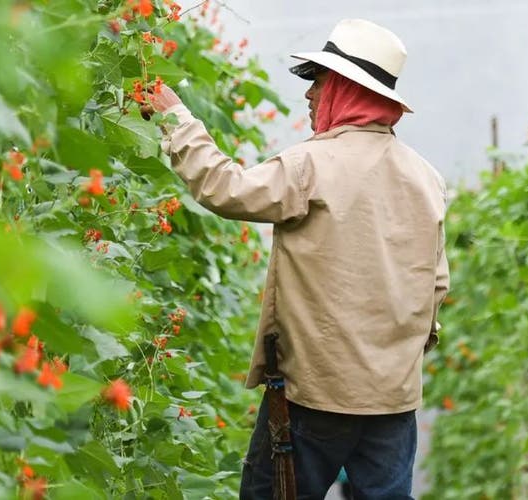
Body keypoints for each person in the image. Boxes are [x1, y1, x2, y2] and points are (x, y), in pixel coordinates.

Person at [150, 18, 449, 499]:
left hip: (314, 398)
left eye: (319, 80)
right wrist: (393, 360)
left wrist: (178, 121)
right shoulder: (426, 179)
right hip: (393, 403)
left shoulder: (312, 165)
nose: (309, 95)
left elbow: (227, 190)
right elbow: (436, 287)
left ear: (345, 90)